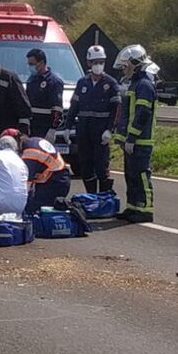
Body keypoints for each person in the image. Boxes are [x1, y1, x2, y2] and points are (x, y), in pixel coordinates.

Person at [65, 45, 121, 193]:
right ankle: (91, 196)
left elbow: (116, 109)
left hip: (101, 131)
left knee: (101, 165)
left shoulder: (111, 84)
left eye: (101, 61)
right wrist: (67, 126)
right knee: (86, 165)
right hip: (83, 131)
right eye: (95, 62)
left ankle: (104, 197)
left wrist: (110, 130)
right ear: (88, 63)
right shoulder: (82, 83)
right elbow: (74, 106)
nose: (98, 65)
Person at [112, 44, 158, 223]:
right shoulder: (136, 83)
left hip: (141, 141)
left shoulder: (144, 85)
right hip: (131, 141)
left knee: (140, 175)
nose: (124, 70)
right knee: (130, 175)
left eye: (125, 66)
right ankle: (133, 207)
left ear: (135, 63)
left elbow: (142, 114)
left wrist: (132, 137)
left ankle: (145, 209)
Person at [2, 131, 70, 215]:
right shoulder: (33, 141)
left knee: (33, 211)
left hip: (55, 183)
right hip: (57, 178)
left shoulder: (30, 153)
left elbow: (25, 186)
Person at [25, 49, 64, 142]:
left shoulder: (54, 82)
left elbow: (57, 108)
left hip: (45, 128)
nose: (30, 67)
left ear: (41, 63)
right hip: (32, 126)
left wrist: (52, 129)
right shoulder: (31, 80)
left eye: (32, 64)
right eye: (29, 64)